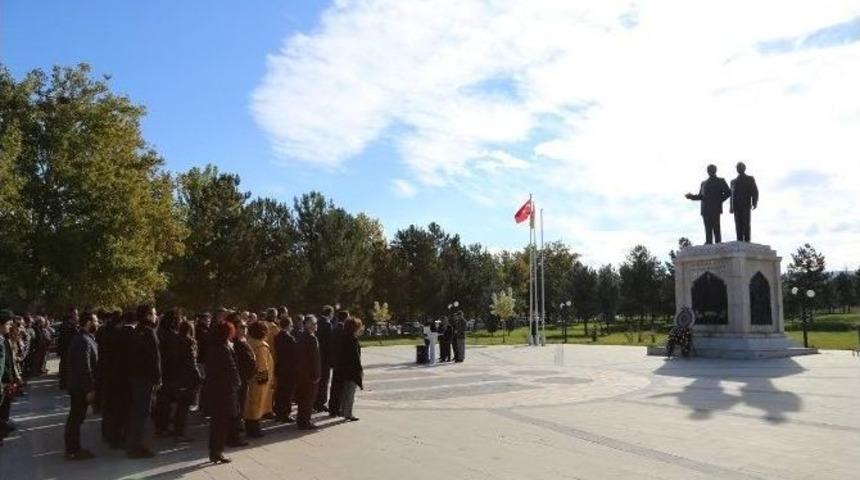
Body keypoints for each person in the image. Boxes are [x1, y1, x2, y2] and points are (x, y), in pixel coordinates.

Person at [202, 320, 240, 464]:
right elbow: (231, 368)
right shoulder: (223, 348)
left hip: (214, 389)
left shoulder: (213, 347)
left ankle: (215, 450)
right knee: (221, 423)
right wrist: (237, 382)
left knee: (217, 423)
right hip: (224, 391)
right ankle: (217, 451)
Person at [125, 304, 161, 458]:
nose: (156, 316)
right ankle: (137, 447)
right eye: (153, 314)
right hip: (145, 379)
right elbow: (155, 359)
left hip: (135, 377)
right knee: (142, 413)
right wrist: (158, 378)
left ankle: (133, 444)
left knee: (137, 413)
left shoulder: (136, 331)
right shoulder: (148, 332)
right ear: (147, 315)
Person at [64, 311, 99, 460]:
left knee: (76, 418)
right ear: (88, 323)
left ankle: (73, 448)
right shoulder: (83, 340)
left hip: (79, 386)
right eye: (96, 321)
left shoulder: (85, 338)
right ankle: (73, 450)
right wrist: (90, 389)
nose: (98, 324)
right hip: (80, 388)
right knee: (76, 419)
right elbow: (84, 367)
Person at [226, 313, 255, 447]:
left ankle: (234, 435)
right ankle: (236, 436)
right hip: (241, 380)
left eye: (245, 327)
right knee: (238, 409)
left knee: (238, 409)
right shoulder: (238, 344)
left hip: (243, 379)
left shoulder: (241, 342)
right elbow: (247, 363)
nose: (243, 329)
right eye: (240, 327)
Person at [685, 164, 732, 245]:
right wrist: (691, 196)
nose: (710, 171)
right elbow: (700, 196)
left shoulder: (721, 180)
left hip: (715, 208)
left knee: (716, 227)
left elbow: (728, 193)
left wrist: (719, 200)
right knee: (707, 227)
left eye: (711, 169)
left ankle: (718, 242)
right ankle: (708, 241)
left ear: (715, 170)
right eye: (708, 170)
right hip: (705, 209)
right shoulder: (703, 183)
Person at [244, 322, 273, 438]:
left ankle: (249, 426)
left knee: (249, 403)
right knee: (256, 404)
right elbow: (262, 365)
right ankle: (254, 430)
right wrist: (263, 380)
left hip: (251, 379)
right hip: (259, 381)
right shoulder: (261, 346)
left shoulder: (249, 342)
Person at [334, 317, 364, 421]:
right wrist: (360, 371)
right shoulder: (353, 339)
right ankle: (348, 413)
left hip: (343, 369)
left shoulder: (342, 337)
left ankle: (343, 410)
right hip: (351, 370)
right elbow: (355, 357)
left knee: (345, 392)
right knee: (350, 392)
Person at [296, 315, 321, 430]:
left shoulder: (301, 336)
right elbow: (315, 359)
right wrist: (317, 374)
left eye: (315, 323)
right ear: (306, 324)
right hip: (310, 374)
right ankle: (305, 421)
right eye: (313, 323)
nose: (315, 325)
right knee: (308, 398)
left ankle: (301, 420)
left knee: (303, 398)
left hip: (301, 372)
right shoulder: (311, 338)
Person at [273, 316, 298, 423]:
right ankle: (285, 414)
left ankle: (278, 412)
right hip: (289, 369)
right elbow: (295, 354)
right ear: (288, 325)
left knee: (280, 391)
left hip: (280, 367)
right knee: (288, 393)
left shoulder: (277, 336)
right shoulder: (289, 338)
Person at [730, 162, 759, 242]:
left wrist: (754, 202)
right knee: (738, 224)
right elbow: (731, 195)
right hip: (736, 206)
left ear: (744, 168)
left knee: (746, 223)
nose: (739, 169)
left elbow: (755, 191)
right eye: (738, 167)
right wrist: (731, 207)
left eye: (741, 167)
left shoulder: (750, 179)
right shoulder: (733, 181)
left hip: (745, 204)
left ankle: (747, 240)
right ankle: (739, 239)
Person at [327, 310, 348, 417]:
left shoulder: (334, 329)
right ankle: (336, 408)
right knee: (339, 387)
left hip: (335, 362)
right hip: (341, 363)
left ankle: (332, 407)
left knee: (335, 387)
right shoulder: (343, 330)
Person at [314, 306, 334, 412]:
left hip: (317, 355)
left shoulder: (317, 322)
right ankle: (321, 403)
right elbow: (330, 344)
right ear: (330, 313)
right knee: (324, 381)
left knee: (317, 380)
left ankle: (315, 401)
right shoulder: (327, 324)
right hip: (325, 357)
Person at [56, 309, 79, 391]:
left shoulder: (71, 325)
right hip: (66, 349)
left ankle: (64, 383)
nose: (77, 316)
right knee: (66, 367)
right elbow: (66, 338)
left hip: (67, 349)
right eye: (76, 314)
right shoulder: (66, 325)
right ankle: (64, 384)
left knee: (66, 367)